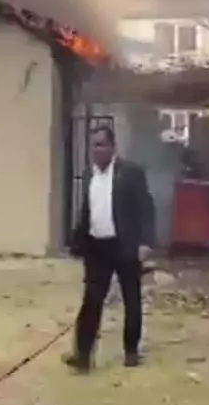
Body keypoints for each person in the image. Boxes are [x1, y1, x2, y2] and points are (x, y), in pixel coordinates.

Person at [63, 125, 155, 372]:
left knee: (131, 299)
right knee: (91, 300)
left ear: (113, 147)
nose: (97, 150)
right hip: (97, 247)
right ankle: (82, 355)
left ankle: (131, 350)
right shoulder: (89, 175)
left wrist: (145, 242)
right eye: (94, 145)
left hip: (124, 245)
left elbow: (146, 207)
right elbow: (87, 212)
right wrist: (77, 242)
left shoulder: (130, 173)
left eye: (102, 144)